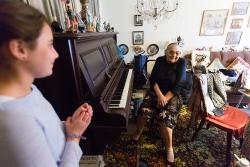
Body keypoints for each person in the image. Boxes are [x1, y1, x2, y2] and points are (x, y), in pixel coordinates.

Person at [0, 1, 92, 167]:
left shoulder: (29, 89)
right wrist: (74, 137)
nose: (56, 54)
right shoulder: (13, 121)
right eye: (50, 44)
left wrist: (68, 126)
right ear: (19, 49)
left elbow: (46, 133)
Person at [132, 43, 186, 166]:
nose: (174, 55)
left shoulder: (182, 62)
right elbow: (153, 79)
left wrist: (165, 98)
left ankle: (169, 148)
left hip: (172, 95)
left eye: (177, 52)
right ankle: (139, 131)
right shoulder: (160, 60)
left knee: (164, 117)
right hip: (157, 92)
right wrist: (160, 96)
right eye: (171, 52)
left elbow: (180, 83)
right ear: (166, 51)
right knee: (143, 109)